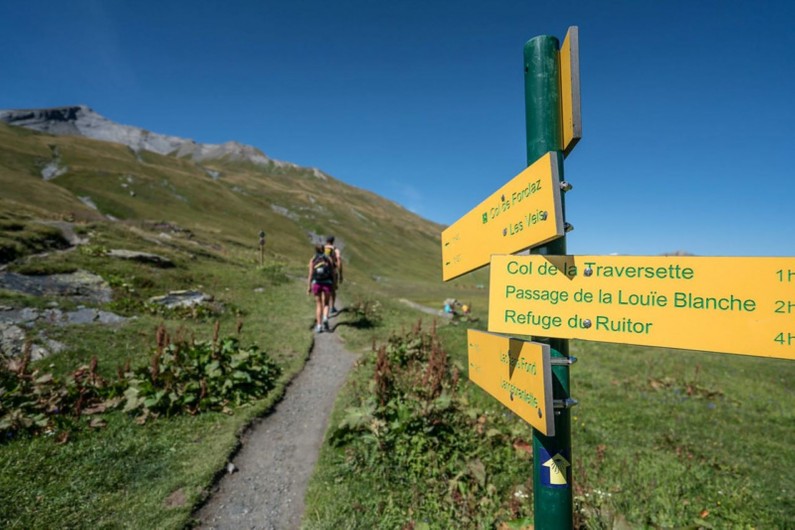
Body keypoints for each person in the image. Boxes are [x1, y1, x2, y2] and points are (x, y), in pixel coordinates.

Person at [308, 243, 334, 332]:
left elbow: (311, 274)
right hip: (327, 283)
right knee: (326, 303)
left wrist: (309, 286)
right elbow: (332, 272)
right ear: (323, 249)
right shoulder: (328, 259)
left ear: (315, 250)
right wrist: (333, 283)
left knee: (318, 304)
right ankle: (325, 318)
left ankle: (319, 326)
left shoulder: (313, 259)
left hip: (317, 283)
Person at [324, 235, 343, 314]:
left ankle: (324, 305)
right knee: (333, 289)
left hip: (323, 271)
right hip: (332, 271)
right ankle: (332, 307)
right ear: (333, 241)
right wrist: (340, 273)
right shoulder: (335, 249)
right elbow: (338, 259)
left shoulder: (323, 248)